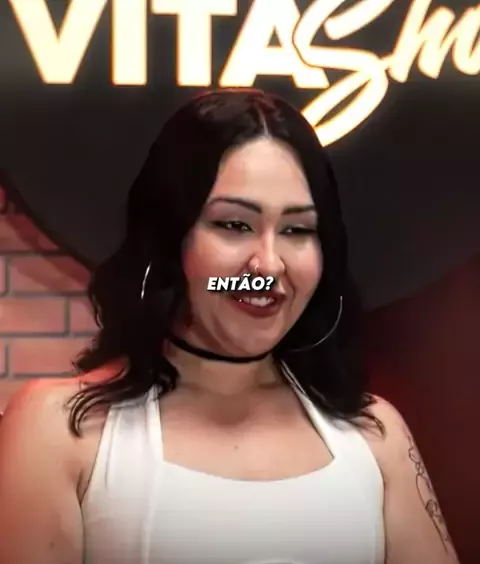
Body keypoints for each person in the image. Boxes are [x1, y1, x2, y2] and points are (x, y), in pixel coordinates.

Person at [0, 89, 459, 564]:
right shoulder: (61, 428)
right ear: (170, 237)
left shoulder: (376, 434)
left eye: (297, 230)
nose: (269, 264)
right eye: (235, 225)